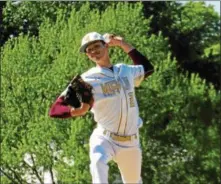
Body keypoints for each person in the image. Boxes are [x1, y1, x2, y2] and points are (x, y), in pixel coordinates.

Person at [49, 32, 154, 184]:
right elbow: (55, 109)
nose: (93, 51)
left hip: (131, 141)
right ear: (87, 55)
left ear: (106, 46)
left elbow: (148, 69)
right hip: (105, 138)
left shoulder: (125, 70)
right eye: (89, 50)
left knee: (134, 181)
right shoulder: (87, 79)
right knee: (98, 162)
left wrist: (122, 43)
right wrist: (77, 111)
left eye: (96, 46)